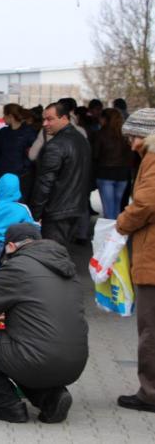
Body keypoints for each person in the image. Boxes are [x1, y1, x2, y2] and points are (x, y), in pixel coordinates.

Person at [0, 223, 88, 424]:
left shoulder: (18, 266)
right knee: (18, 347)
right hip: (74, 363)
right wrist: (12, 315)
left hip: (37, 359)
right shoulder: (67, 267)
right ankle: (49, 397)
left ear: (10, 246)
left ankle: (7, 406)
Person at [115, 108, 155, 413]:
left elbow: (145, 203)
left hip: (152, 257)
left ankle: (150, 393)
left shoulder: (153, 159)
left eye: (132, 137)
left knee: (150, 329)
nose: (131, 144)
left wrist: (122, 223)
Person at [29, 102, 91, 249]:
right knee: (60, 253)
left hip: (57, 211)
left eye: (50, 119)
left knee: (52, 256)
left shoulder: (55, 145)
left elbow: (45, 183)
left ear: (64, 118)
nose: (45, 124)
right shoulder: (81, 139)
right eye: (44, 119)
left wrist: (34, 215)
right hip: (75, 207)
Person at [0, 103, 37, 203]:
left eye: (4, 114)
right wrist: (0, 168)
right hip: (5, 175)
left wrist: (24, 167)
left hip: (23, 177)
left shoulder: (29, 132)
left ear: (11, 116)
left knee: (20, 203)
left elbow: (34, 153)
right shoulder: (3, 132)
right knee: (5, 203)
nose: (2, 117)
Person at [92, 108, 132, 219]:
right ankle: (118, 232)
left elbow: (95, 155)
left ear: (105, 119)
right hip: (123, 175)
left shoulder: (100, 134)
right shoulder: (126, 135)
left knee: (108, 209)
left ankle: (109, 234)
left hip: (105, 174)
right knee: (118, 207)